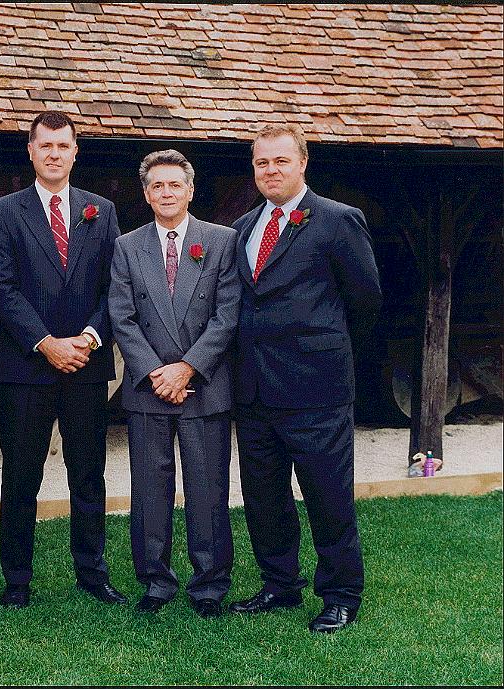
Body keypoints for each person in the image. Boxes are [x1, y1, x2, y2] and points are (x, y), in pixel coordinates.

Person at [229, 123, 382, 633]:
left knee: (328, 498)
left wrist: (327, 357)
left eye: (280, 161)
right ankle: (280, 584)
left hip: (316, 389)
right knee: (264, 498)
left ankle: (340, 595)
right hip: (253, 390)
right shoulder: (245, 226)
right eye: (261, 163)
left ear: (302, 164)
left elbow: (365, 302)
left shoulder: (338, 221)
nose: (270, 171)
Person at [0, 111, 126, 608]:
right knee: (22, 475)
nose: (53, 154)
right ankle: (17, 580)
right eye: (44, 145)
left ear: (74, 152)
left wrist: (88, 338)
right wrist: (45, 343)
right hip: (26, 367)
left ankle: (92, 573)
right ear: (30, 150)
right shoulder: (4, 211)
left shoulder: (101, 210)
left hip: (87, 364)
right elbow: (1, 288)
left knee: (87, 473)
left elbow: (115, 285)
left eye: (62, 146)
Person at [109, 150, 240, 617]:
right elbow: (122, 318)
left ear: (190, 190)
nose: (166, 193)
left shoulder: (221, 241)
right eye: (157, 186)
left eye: (174, 185)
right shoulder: (127, 246)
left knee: (207, 488)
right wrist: (154, 373)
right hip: (148, 390)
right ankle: (155, 580)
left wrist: (186, 368)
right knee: (150, 488)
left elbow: (227, 317)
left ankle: (209, 583)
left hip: (204, 386)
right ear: (146, 195)